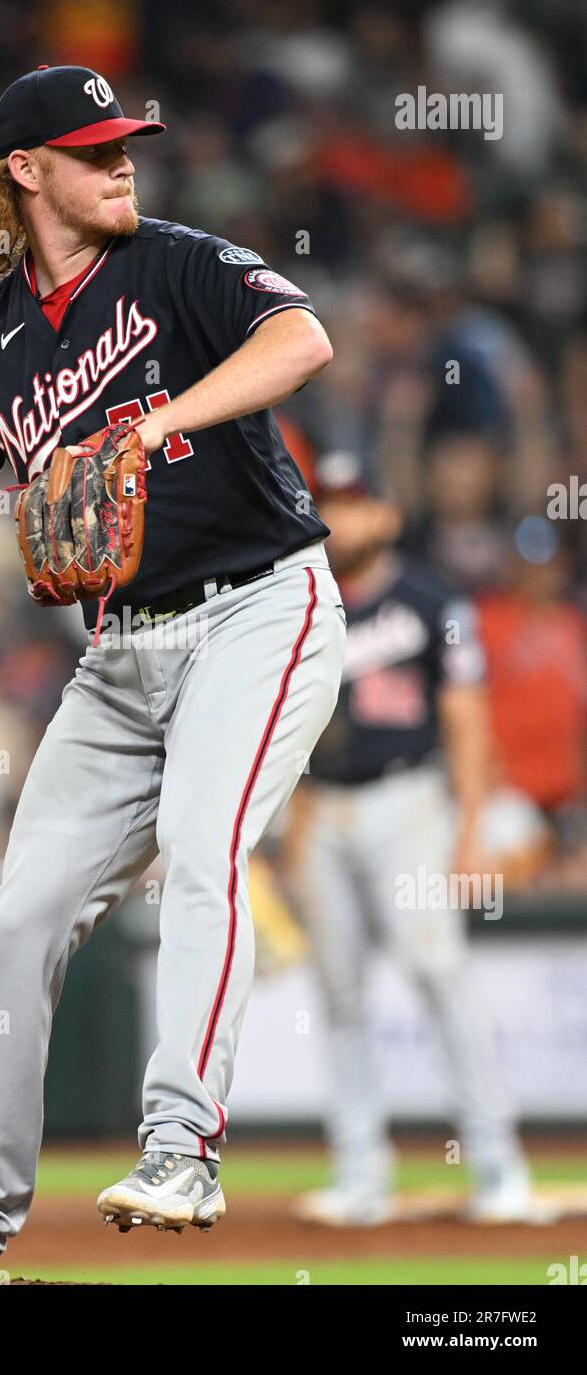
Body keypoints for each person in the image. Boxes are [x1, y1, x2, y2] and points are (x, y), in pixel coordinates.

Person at [0, 64, 346, 1284]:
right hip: (119, 658)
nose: (125, 160)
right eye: (96, 147)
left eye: (128, 142)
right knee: (13, 922)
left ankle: (181, 1144)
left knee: (200, 844)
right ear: (27, 172)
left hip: (258, 606)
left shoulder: (176, 262)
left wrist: (162, 418)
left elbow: (301, 337)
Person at [279, 451, 540, 1225]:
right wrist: (292, 827)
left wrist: (469, 831)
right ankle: (362, 1173)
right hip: (323, 810)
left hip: (409, 800)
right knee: (340, 994)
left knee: (437, 972)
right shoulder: (295, 605)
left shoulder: (432, 600)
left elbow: (467, 719)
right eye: (329, 503)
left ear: (387, 516)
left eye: (355, 503)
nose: (342, 518)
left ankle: (496, 1165)